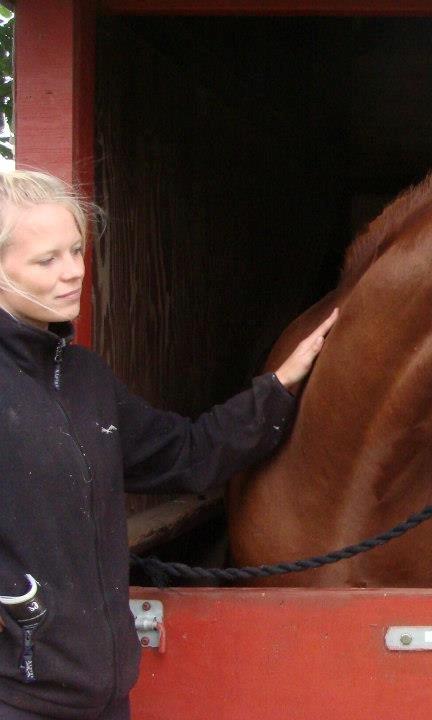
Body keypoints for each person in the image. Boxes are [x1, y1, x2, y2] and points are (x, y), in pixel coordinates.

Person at [0, 170, 338, 719]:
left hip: (105, 696)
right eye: (46, 260)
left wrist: (279, 387)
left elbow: (187, 453)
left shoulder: (85, 378)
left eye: (77, 251)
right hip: (17, 697)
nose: (73, 273)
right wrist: (19, 604)